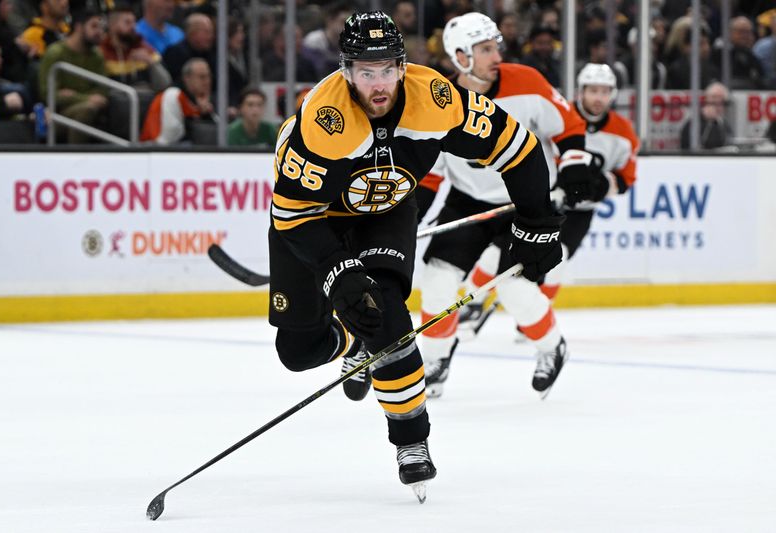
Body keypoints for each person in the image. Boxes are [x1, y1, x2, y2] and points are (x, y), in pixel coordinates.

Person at [268, 11, 562, 498]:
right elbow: (294, 215)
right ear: (346, 72)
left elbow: (520, 149)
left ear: (403, 67)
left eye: (387, 69)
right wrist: (339, 272)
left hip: (387, 208)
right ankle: (350, 339)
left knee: (385, 312)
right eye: (365, 71)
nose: (377, 83)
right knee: (297, 353)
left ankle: (411, 442)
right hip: (312, 223)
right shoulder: (323, 120)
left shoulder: (438, 101)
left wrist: (537, 224)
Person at [414, 12, 589, 399]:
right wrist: (409, 214)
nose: (497, 56)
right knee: (438, 282)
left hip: (521, 202)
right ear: (461, 56)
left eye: (496, 47)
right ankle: (437, 360)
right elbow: (430, 173)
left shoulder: (526, 81)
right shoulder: (439, 100)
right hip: (467, 203)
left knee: (513, 285)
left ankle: (551, 346)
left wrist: (574, 167)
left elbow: (569, 126)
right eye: (486, 49)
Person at [541, 63, 640, 303]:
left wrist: (601, 186)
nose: (599, 97)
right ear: (581, 91)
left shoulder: (623, 131)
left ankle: (536, 316)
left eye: (605, 91)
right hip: (544, 204)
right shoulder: (560, 117)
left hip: (580, 213)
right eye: (593, 90)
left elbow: (626, 178)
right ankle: (478, 302)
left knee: (558, 260)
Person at [38, 8, 108, 144]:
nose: (99, 32)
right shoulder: (55, 53)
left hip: (91, 111)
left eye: (101, 27)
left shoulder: (97, 56)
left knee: (90, 109)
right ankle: (76, 156)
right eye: (94, 26)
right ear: (79, 27)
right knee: (87, 109)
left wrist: (71, 95)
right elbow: (47, 93)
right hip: (56, 115)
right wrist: (86, 98)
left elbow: (103, 91)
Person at [140, 57, 214, 145]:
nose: (207, 82)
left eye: (209, 76)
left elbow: (215, 134)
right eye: (202, 77)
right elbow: (172, 133)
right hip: (155, 148)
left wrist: (206, 114)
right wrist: (197, 115)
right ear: (187, 78)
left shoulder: (207, 101)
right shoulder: (173, 94)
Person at [99, 4, 171, 91]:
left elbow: (165, 84)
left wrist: (150, 62)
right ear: (112, 26)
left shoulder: (145, 49)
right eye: (127, 22)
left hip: (146, 100)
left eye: (134, 22)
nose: (133, 27)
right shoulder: (102, 52)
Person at [679, 81, 731, 150]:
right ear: (706, 99)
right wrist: (708, 121)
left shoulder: (723, 124)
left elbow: (729, 141)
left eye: (721, 102)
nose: (717, 106)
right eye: (713, 99)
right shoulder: (693, 124)